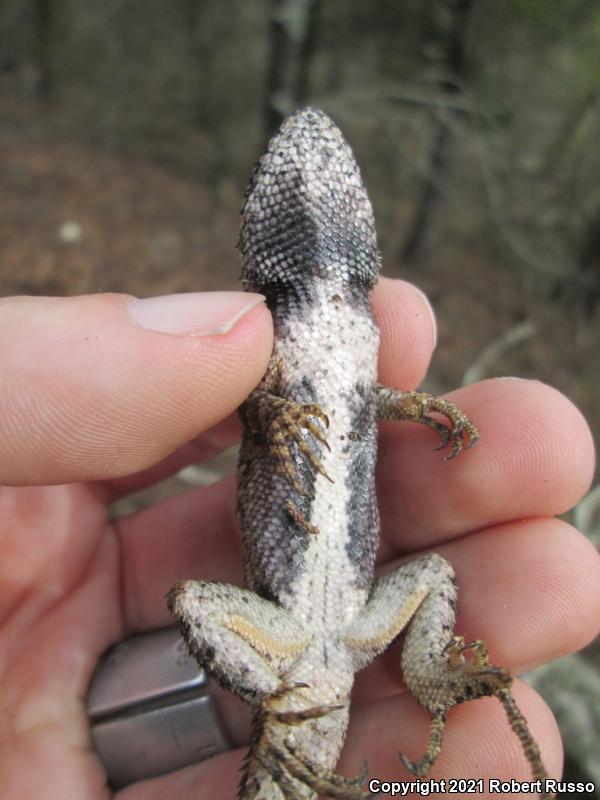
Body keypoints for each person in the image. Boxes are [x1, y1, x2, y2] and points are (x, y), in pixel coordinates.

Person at [0, 282, 598, 799]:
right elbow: (259, 400)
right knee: (196, 600)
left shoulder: (356, 353)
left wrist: (408, 405)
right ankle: (278, 703)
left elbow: (357, 404)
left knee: (434, 573)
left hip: (356, 628)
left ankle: (426, 673)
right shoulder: (270, 356)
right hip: (283, 647)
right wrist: (268, 411)